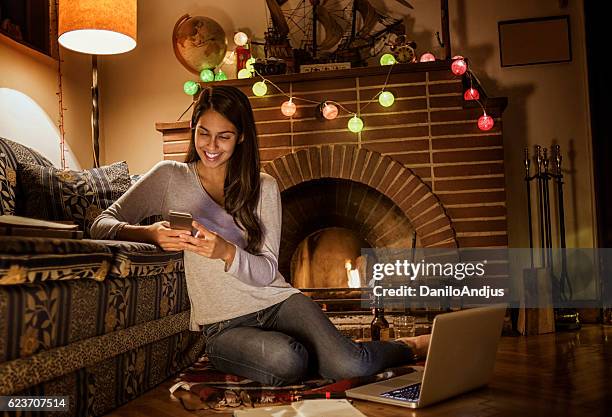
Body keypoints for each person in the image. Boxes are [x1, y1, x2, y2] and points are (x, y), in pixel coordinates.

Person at [90, 85, 429, 386]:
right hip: (224, 324)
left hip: (278, 302)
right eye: (203, 133)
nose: (211, 146)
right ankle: (320, 354)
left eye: (224, 136)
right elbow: (100, 224)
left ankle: (411, 346)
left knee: (352, 363)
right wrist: (149, 233)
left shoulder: (263, 186)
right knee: (289, 362)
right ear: (193, 129)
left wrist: (225, 251)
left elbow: (268, 270)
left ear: (241, 137)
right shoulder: (168, 177)